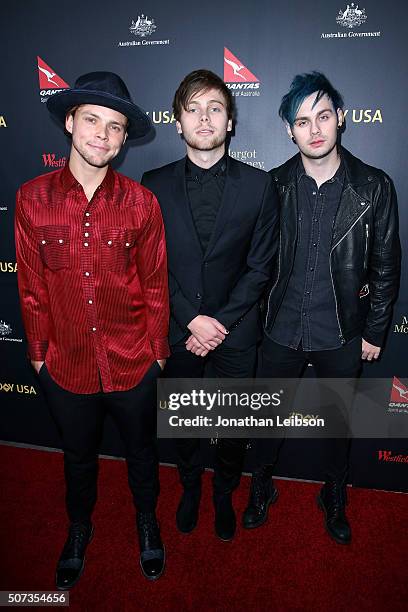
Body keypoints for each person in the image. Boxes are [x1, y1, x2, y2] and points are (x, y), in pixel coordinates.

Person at [15, 72, 170, 587]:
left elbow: (154, 285)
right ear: (69, 122)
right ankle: (79, 528)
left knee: (142, 454)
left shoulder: (142, 203)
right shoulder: (31, 199)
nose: (102, 135)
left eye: (115, 126)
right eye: (92, 121)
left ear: (125, 139)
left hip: (133, 361)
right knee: (77, 458)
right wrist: (39, 357)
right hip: (67, 365)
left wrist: (157, 354)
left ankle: (147, 522)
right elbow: (32, 286)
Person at [243, 71, 401, 544]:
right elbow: (255, 264)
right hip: (280, 330)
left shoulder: (374, 186)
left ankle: (334, 493)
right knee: (268, 421)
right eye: (302, 120)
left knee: (338, 425)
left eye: (323, 116)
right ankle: (262, 486)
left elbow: (385, 264)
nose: (314, 129)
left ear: (341, 119)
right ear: (289, 130)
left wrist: (374, 331)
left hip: (342, 332)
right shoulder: (273, 185)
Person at [142, 69, 278, 541]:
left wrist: (216, 323)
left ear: (230, 122)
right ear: (177, 122)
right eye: (193, 108)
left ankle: (223, 491)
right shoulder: (152, 184)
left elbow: (260, 268)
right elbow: (150, 265)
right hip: (178, 330)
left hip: (235, 333)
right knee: (183, 424)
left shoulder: (260, 187)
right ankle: (189, 488)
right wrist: (190, 320)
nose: (204, 118)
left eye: (215, 108)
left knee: (232, 425)